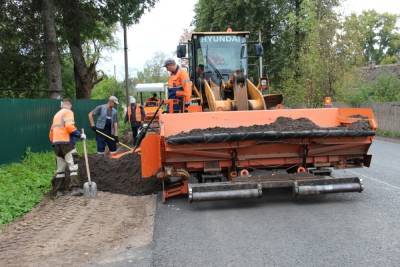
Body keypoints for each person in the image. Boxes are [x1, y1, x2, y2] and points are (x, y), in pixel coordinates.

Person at [49, 98, 86, 197]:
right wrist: (79, 135)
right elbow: (69, 127)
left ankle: (58, 191)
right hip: (66, 143)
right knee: (73, 164)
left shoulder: (56, 115)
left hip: (56, 144)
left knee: (60, 168)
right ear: (69, 105)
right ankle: (75, 188)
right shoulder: (68, 112)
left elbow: (51, 133)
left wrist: (55, 142)